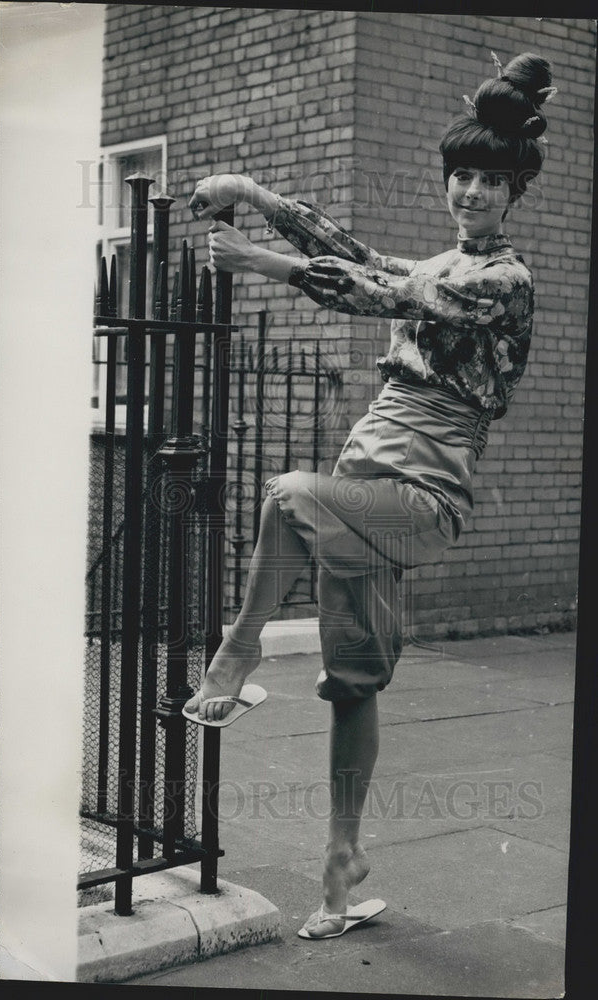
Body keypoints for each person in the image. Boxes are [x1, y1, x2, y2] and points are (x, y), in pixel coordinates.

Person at [184, 51, 555, 938]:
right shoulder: (439, 264)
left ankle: (235, 659)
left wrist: (258, 262)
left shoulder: (504, 280)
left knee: (283, 492)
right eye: (460, 176)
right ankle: (342, 871)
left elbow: (376, 290)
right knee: (353, 683)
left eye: (488, 181)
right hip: (363, 482)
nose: (469, 192)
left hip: (420, 502)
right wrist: (259, 194)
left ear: (513, 196)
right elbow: (358, 255)